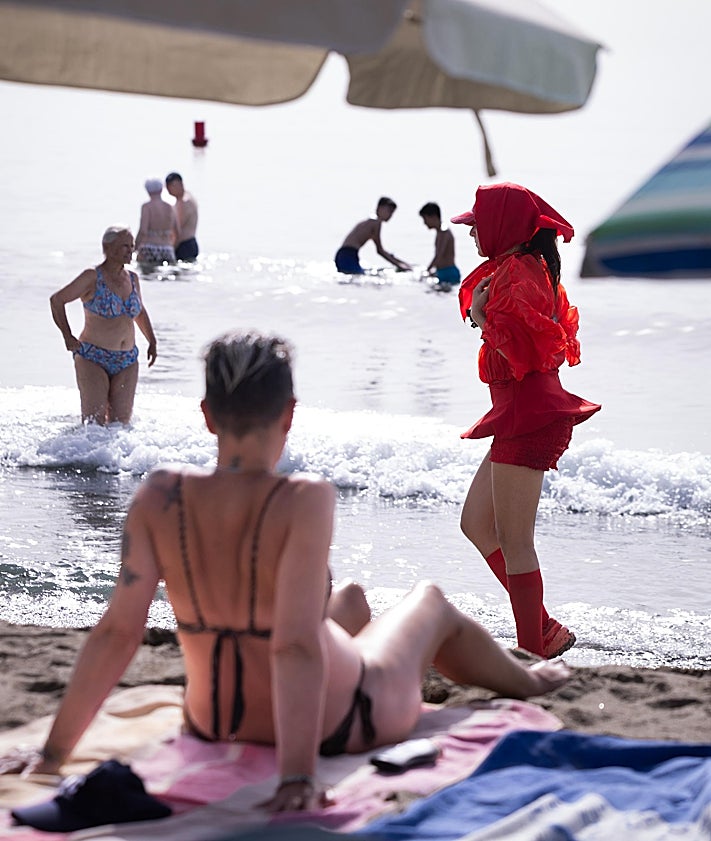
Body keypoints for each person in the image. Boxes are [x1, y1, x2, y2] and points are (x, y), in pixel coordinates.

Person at [0, 330, 570, 812]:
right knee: (428, 602)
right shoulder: (303, 498)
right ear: (289, 416)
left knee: (348, 600)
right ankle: (526, 678)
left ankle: (386, 640)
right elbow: (295, 645)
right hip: (338, 720)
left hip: (212, 717)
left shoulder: (159, 494)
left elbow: (116, 633)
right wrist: (298, 775)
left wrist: (53, 755)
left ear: (206, 417)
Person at [450, 182, 601, 660]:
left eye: (477, 226)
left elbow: (526, 350)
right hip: (519, 414)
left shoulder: (519, 273)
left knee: (518, 544)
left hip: (530, 417)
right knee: (476, 523)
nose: (472, 235)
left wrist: (479, 313)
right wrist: (484, 315)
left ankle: (531, 654)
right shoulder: (520, 268)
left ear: (503, 228)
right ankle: (545, 630)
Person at [49, 226, 158, 424]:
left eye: (132, 246)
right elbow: (57, 300)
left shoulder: (132, 278)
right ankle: (81, 456)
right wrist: (67, 336)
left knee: (120, 426)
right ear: (108, 247)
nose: (130, 251)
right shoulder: (92, 277)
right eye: (125, 246)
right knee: (94, 425)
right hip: (93, 357)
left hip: (127, 360)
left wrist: (152, 340)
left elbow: (139, 311)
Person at [335, 197, 412, 274]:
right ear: (379, 208)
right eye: (389, 211)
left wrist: (401, 262)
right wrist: (399, 265)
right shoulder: (376, 223)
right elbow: (380, 250)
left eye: (392, 212)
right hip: (347, 256)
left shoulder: (370, 221)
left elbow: (381, 250)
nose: (390, 215)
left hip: (345, 255)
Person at [135, 178, 178, 266]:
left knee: (148, 277)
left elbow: (143, 231)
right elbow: (177, 230)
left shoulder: (147, 207)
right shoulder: (170, 207)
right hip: (167, 248)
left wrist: (134, 247)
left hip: (149, 247)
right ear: (162, 189)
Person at [419, 202, 461, 290]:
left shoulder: (443, 231)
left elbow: (439, 255)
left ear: (433, 217)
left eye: (425, 219)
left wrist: (427, 271)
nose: (424, 223)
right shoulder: (440, 231)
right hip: (442, 272)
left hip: (449, 273)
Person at [165, 172, 199, 261]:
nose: (168, 190)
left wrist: (171, 249)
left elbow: (177, 230)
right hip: (190, 243)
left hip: (184, 245)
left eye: (171, 186)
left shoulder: (184, 202)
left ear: (180, 184)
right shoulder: (188, 196)